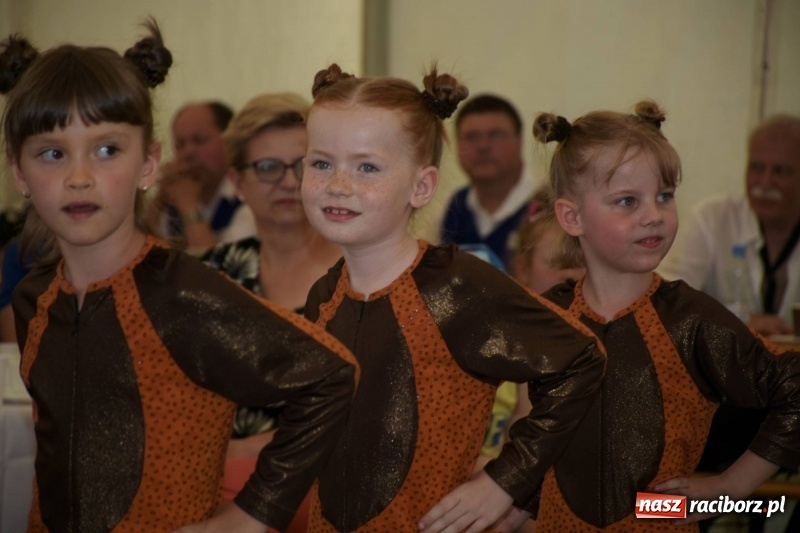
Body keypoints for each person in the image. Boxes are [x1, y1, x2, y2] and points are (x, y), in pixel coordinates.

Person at [0, 22, 357, 533]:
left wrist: (253, 514)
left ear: (149, 164)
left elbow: (329, 377)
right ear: (19, 173)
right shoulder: (34, 296)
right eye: (52, 153)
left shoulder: (184, 294)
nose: (79, 176)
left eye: (106, 150)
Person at [301, 63, 605, 533]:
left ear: (421, 186)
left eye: (366, 167)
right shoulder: (325, 295)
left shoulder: (456, 287)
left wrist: (505, 484)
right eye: (321, 163)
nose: (338, 184)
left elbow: (580, 363)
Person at [532, 101, 800, 531]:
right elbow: (527, 438)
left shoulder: (690, 320)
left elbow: (795, 389)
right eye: (626, 201)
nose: (653, 215)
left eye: (664, 196)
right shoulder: (548, 316)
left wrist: (726, 490)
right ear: (572, 216)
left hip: (657, 516)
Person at [202, 91, 342, 532]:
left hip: (334, 480)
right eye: (266, 167)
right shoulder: (212, 276)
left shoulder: (362, 272)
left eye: (303, 164)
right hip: (217, 481)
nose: (287, 181)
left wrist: (259, 448)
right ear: (238, 181)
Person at [658, 115, 800, 336]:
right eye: (756, 168)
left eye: (780, 171)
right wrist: (738, 321)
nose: (764, 183)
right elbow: (667, 299)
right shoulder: (712, 219)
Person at [440, 94, 544, 267]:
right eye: (472, 137)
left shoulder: (548, 207)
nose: (483, 146)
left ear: (519, 141)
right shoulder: (449, 208)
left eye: (495, 135)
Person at [154, 100, 256, 254]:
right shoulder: (173, 200)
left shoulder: (249, 196)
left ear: (229, 142)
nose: (188, 153)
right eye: (180, 144)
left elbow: (224, 271)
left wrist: (188, 204)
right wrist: (158, 201)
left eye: (199, 140)